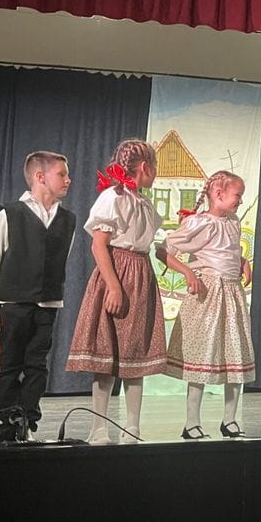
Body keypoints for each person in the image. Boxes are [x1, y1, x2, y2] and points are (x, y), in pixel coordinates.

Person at [66, 139, 165, 444]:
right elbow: (99, 245)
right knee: (105, 355)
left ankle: (132, 426)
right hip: (117, 271)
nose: (156, 171)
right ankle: (98, 427)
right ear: (145, 167)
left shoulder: (143, 202)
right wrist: (113, 285)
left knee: (135, 354)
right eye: (155, 165)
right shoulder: (113, 197)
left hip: (140, 273)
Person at [0, 153, 74, 442]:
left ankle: (27, 420)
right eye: (62, 174)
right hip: (14, 301)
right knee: (10, 363)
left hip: (47, 302)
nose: (68, 180)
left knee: (37, 364)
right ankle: (7, 425)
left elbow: (60, 259)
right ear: (40, 177)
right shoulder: (10, 214)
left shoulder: (67, 219)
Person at [158, 171, 255, 439]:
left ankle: (230, 419)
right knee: (201, 357)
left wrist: (243, 262)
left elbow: (229, 251)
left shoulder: (233, 221)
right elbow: (163, 251)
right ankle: (192, 422)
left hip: (232, 293)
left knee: (235, 355)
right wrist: (188, 272)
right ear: (219, 194)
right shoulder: (199, 223)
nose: (240, 201)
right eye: (237, 195)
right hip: (208, 294)